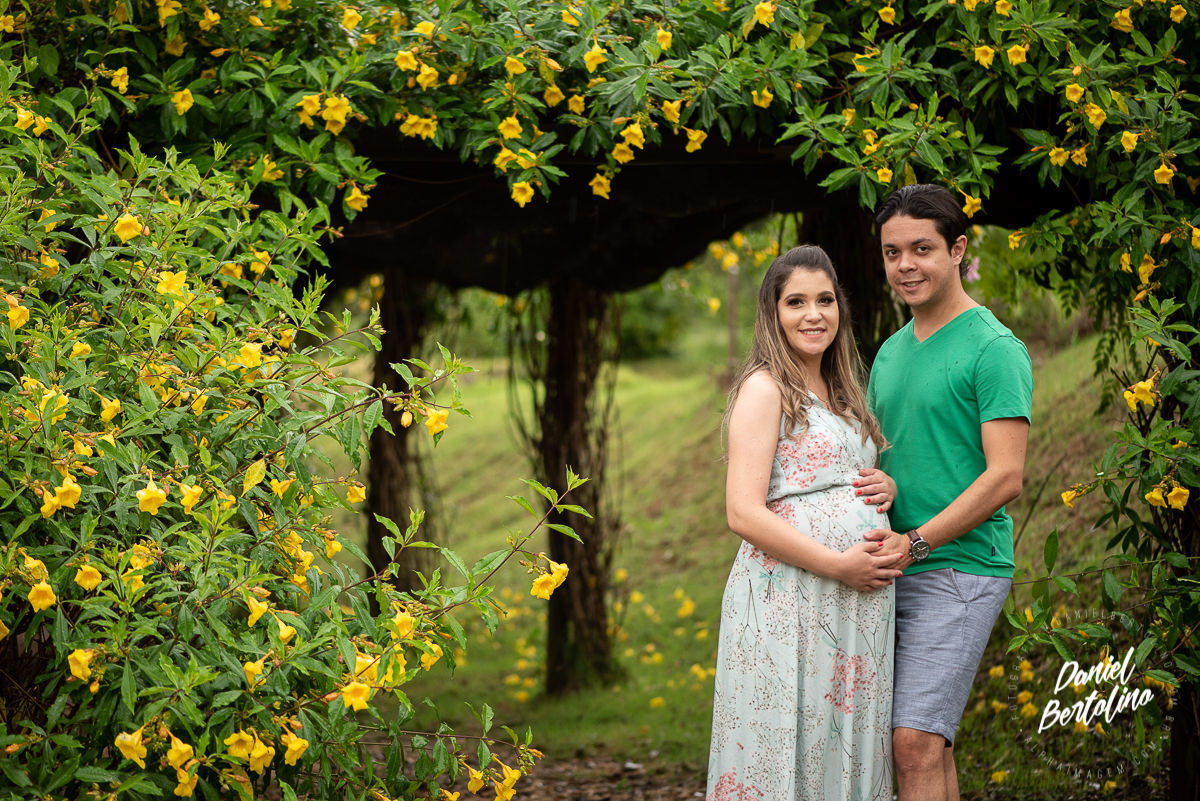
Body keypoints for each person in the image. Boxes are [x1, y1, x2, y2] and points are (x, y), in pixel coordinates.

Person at [707, 245, 903, 801]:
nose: (813, 314)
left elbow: (842, 474)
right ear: (773, 311)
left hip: (852, 603)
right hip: (791, 597)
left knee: (840, 740)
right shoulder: (765, 388)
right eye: (796, 302)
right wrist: (839, 564)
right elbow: (742, 511)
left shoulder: (844, 393)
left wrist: (883, 487)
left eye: (825, 300)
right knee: (791, 732)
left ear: (840, 307)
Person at [864, 184, 1033, 801]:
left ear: (957, 249)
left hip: (958, 566)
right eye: (891, 253)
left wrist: (915, 542)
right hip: (891, 567)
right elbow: (890, 456)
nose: (905, 265)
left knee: (911, 744)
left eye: (921, 249)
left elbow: (1005, 477)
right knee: (927, 745)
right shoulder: (888, 353)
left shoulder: (994, 349)